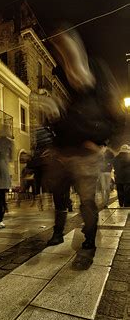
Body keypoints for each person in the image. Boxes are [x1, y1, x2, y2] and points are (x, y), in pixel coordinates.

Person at [43, 29, 124, 269]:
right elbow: (69, 119)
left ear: (76, 46)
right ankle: (57, 233)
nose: (63, 56)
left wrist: (104, 144)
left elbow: (115, 114)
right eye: (59, 51)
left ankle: (88, 244)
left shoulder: (96, 71)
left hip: (88, 153)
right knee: (58, 193)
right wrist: (54, 119)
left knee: (87, 201)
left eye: (66, 48)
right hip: (65, 152)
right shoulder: (68, 82)